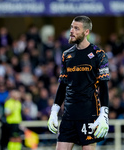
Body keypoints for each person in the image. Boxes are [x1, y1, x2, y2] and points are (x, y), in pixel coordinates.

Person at [47, 16, 110, 150]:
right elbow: (63, 84)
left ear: (86, 32)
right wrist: (54, 111)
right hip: (68, 115)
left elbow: (103, 87)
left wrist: (104, 114)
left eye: (76, 28)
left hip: (89, 114)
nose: (72, 31)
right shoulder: (67, 55)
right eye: (71, 27)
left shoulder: (99, 54)